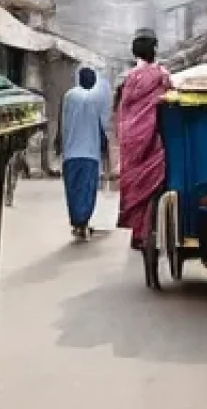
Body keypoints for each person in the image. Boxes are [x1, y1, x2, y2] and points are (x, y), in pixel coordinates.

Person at [116, 29, 171, 250]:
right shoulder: (162, 76)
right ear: (154, 50)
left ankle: (137, 231)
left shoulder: (129, 78)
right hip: (153, 137)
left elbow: (123, 110)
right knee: (151, 187)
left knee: (136, 184)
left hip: (130, 139)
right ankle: (146, 230)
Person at [56, 65, 111, 240]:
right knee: (87, 190)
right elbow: (101, 126)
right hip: (90, 153)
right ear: (92, 81)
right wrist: (104, 147)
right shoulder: (96, 98)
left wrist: (59, 143)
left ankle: (77, 223)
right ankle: (83, 222)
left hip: (71, 152)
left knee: (73, 190)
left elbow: (61, 120)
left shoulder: (68, 96)